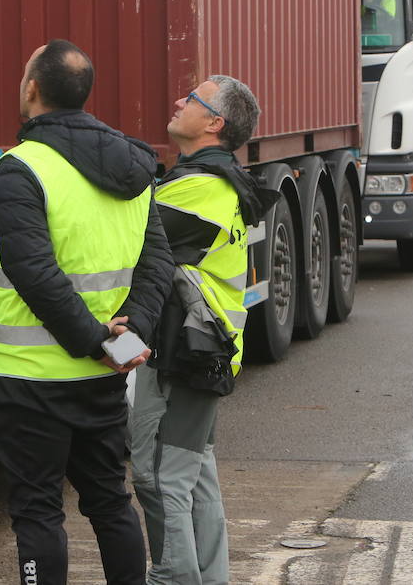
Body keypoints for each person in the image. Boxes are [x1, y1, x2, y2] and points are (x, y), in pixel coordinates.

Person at [0, 39, 174, 585]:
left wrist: (93, 338)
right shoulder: (132, 167)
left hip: (32, 379)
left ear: (33, 89)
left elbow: (32, 272)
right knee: (110, 502)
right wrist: (123, 339)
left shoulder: (20, 168)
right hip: (103, 373)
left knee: (39, 512)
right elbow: (156, 260)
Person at [130, 75, 273, 585]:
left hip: (186, 352)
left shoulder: (204, 188)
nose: (177, 100)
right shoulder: (213, 182)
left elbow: (128, 240)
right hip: (203, 350)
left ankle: (174, 579)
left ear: (214, 123)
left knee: (159, 474)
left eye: (190, 98)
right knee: (194, 475)